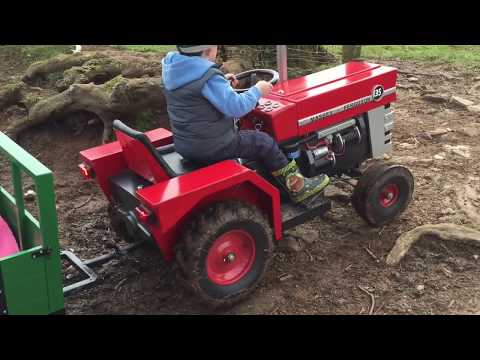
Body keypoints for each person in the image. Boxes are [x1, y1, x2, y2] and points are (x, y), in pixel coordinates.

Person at [161, 45, 329, 203]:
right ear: (207, 51)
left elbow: (197, 99)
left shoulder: (174, 69)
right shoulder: (209, 78)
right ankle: (297, 187)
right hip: (213, 145)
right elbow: (236, 108)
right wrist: (258, 90)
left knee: (251, 137)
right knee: (264, 142)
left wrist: (223, 84)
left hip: (186, 144)